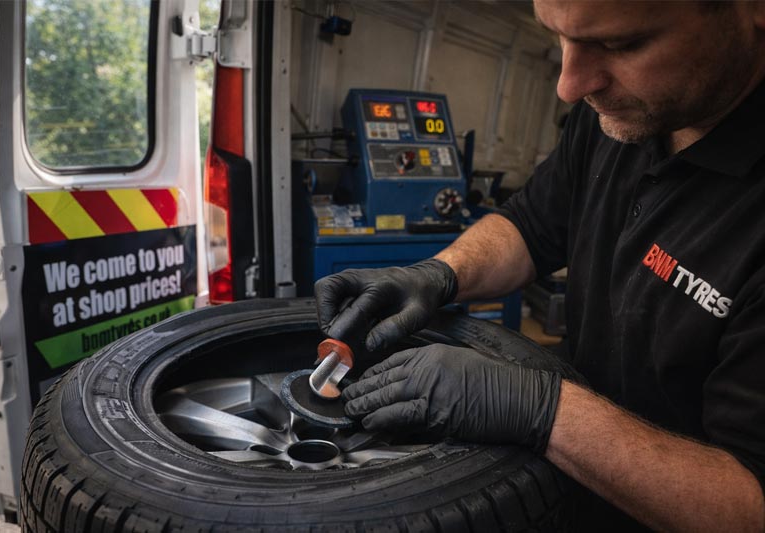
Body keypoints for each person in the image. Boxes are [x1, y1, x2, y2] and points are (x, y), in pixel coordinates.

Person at [314, 1, 765, 530]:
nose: (570, 84)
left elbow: (750, 507)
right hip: (568, 490)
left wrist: (542, 410)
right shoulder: (618, 114)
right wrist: (438, 274)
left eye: (620, 44)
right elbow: (530, 226)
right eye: (557, 37)